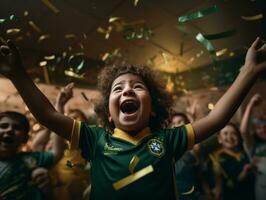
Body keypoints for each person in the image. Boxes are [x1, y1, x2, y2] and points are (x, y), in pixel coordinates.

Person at [0, 37, 265, 199]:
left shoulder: (167, 139)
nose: (127, 89)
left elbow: (218, 118)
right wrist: (18, 75)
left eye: (137, 87)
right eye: (118, 88)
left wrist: (248, 72)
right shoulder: (95, 139)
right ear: (109, 114)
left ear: (152, 108)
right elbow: (47, 115)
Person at [31, 83, 91, 200]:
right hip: (57, 190)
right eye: (70, 117)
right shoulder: (57, 140)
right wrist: (54, 117)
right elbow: (36, 146)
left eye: (78, 117)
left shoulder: (89, 140)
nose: (74, 119)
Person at [0, 111, 64, 199]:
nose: (9, 130)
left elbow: (57, 152)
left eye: (17, 127)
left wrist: (58, 110)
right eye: (3, 126)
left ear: (25, 139)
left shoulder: (31, 160)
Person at [210, 123, 255, 200]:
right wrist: (242, 174)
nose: (230, 137)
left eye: (234, 133)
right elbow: (224, 185)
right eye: (225, 133)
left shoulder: (244, 152)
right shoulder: (215, 158)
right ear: (219, 139)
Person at [240, 93, 266, 200]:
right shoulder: (253, 145)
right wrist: (250, 105)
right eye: (259, 127)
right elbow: (243, 131)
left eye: (265, 126)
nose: (263, 130)